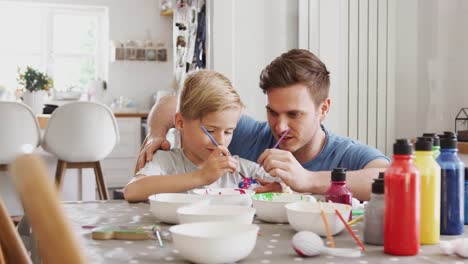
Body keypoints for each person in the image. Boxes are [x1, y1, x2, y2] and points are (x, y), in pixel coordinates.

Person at [136, 49, 390, 201]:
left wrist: (309, 180)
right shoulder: (247, 134)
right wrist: (157, 134)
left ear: (323, 109)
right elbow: (172, 103)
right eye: (272, 112)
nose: (279, 127)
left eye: (294, 115)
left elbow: (392, 180)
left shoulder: (346, 153)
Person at [124, 70, 280, 202]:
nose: (220, 140)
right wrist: (202, 176)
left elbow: (285, 187)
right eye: (210, 130)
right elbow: (132, 191)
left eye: (228, 131)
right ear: (180, 122)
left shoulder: (241, 168)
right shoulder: (166, 162)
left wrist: (279, 189)